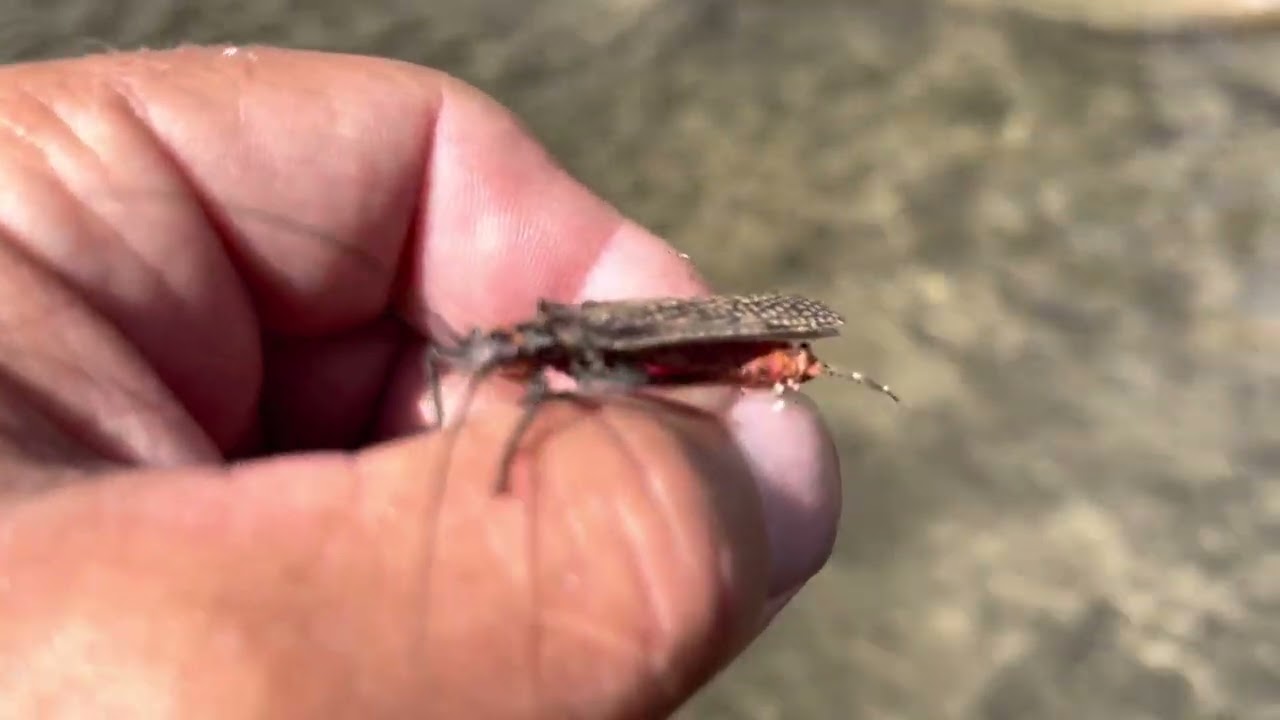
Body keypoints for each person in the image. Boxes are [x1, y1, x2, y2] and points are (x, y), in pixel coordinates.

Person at [0, 46, 843, 718]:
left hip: (683, 351)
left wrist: (543, 469)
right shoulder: (526, 350)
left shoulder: (560, 353)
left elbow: (606, 372)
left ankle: (745, 409)